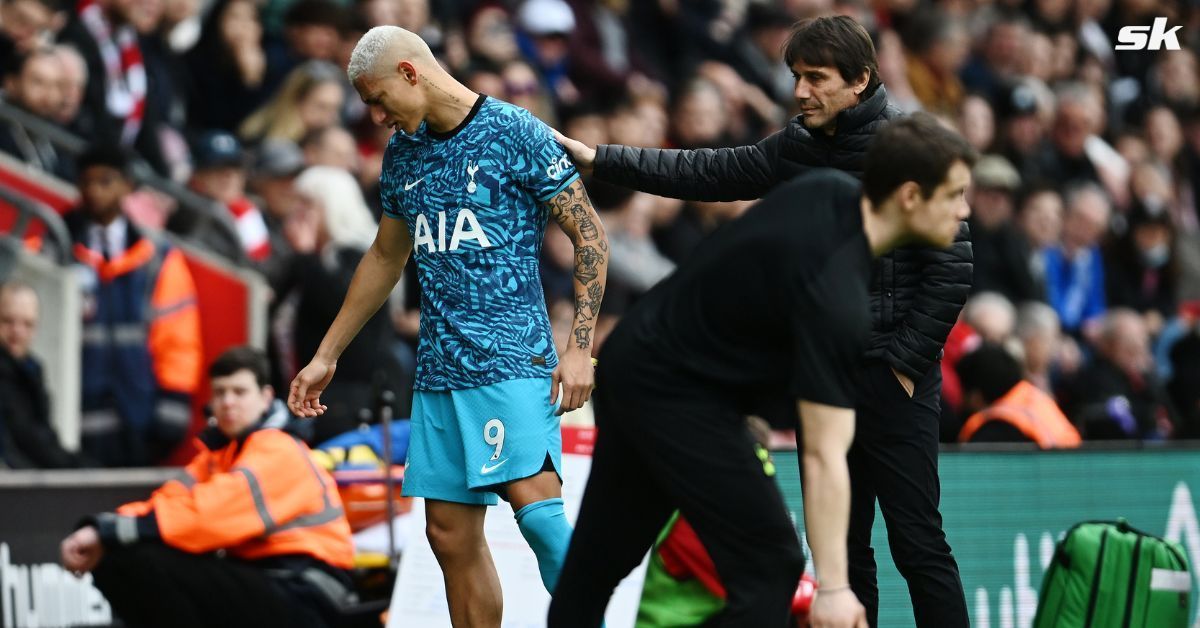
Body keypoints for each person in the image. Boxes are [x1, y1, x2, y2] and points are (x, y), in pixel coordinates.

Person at [555, 15, 971, 627]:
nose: (801, 91)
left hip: (891, 378)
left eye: (817, 78)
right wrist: (604, 161)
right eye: (797, 77)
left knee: (917, 543)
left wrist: (901, 367)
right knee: (840, 551)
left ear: (860, 81)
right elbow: (709, 171)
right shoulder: (800, 154)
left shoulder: (911, 156)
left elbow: (951, 274)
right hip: (798, 372)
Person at [288, 25, 608, 626]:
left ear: (410, 72)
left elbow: (590, 237)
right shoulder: (403, 153)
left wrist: (580, 348)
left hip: (512, 359)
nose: (377, 115)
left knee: (538, 516)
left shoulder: (515, 131)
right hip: (438, 372)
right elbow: (386, 256)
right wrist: (326, 353)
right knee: (450, 537)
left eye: (377, 98)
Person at [60, 346, 356, 628]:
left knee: (143, 561)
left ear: (266, 398)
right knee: (117, 558)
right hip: (266, 580)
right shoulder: (217, 456)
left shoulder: (278, 448)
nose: (228, 402)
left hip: (308, 592)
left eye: (239, 392)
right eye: (220, 393)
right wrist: (103, 530)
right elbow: (167, 503)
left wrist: (109, 532)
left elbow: (205, 518)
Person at [66, 145, 202, 467]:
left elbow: (178, 337)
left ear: (127, 185)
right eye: (87, 182)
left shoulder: (157, 256)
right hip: (73, 412)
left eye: (105, 181)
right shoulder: (54, 246)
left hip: (139, 412)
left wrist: (172, 407)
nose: (94, 191)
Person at [0, 281, 87, 468]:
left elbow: (43, 439)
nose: (17, 331)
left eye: (27, 324)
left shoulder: (32, 370)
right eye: (8, 321)